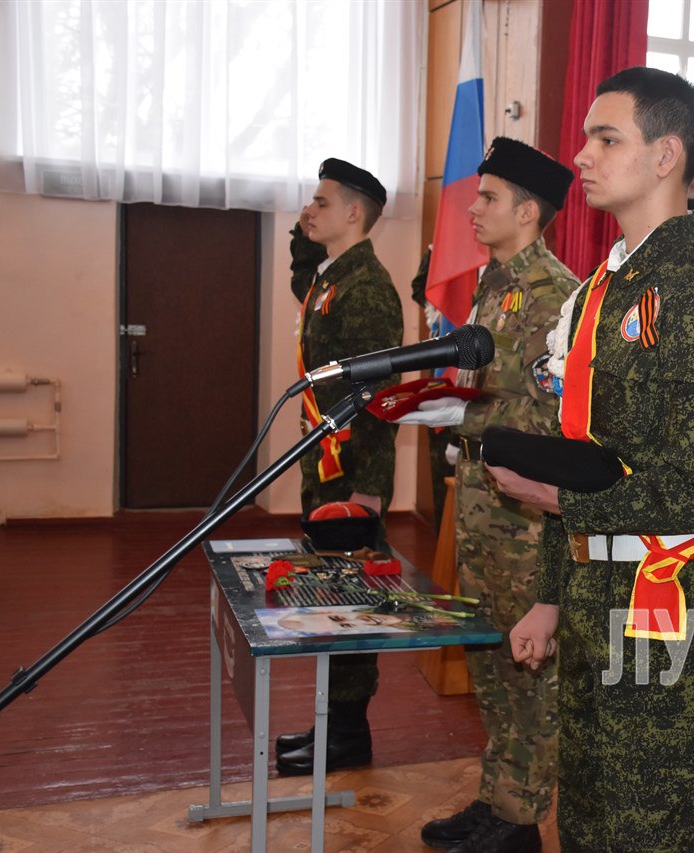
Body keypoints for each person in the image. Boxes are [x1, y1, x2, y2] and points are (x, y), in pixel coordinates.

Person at [490, 68, 694, 852]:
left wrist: (559, 501)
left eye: (606, 138)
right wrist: (551, 593)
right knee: (588, 817)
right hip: (596, 593)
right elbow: (589, 458)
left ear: (665, 156)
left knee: (648, 825)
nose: (582, 155)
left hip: (667, 606)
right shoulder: (607, 288)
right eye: (588, 136)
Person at [410, 137, 579, 853]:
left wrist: (466, 417)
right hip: (482, 498)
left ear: (528, 211)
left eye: (488, 197)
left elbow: (555, 417)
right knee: (487, 654)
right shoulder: (494, 284)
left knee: (528, 664)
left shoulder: (554, 295)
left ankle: (519, 820)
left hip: (526, 514)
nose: (472, 209)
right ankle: (497, 797)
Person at [275, 157, 404, 777]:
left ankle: (348, 733)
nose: (310, 209)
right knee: (329, 591)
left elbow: (380, 400)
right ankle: (331, 723)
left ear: (354, 213)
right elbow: (304, 279)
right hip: (325, 464)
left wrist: (370, 492)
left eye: (322, 202)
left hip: (351, 471)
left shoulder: (368, 289)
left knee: (351, 596)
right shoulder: (332, 280)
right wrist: (304, 230)